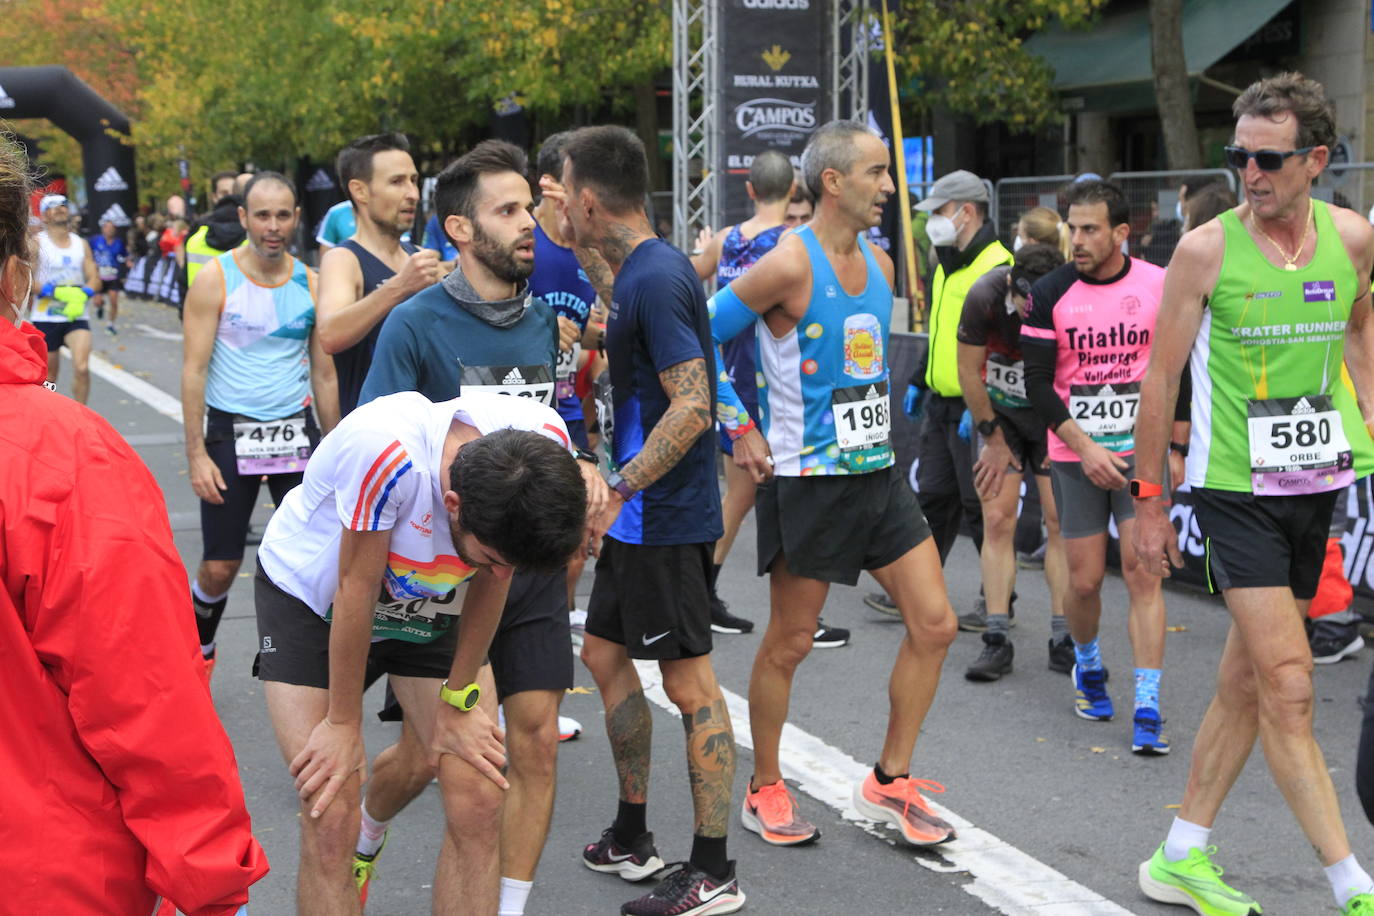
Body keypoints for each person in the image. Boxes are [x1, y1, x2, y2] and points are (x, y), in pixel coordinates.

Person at [0, 132, 268, 916]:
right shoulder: (64, 457)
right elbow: (144, 695)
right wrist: (213, 882)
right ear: (16, 272)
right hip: (45, 874)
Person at [1133, 72, 1374, 915]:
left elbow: (1358, 329)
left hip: (1317, 485)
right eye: (1238, 156)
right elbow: (1159, 379)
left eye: (1268, 159)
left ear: (1315, 160)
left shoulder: (1352, 239)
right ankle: (1351, 882)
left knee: (1245, 682)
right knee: (1290, 681)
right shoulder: (1205, 250)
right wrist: (1150, 503)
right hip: (1232, 490)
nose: (1250, 173)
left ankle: (1179, 854)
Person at [359, 139, 604, 916]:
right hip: (444, 573)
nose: (531, 222)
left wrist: (585, 467)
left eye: (529, 206)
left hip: (524, 564)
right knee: (431, 759)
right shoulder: (413, 325)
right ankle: (367, 827)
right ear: (461, 230)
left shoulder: (543, 322)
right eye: (508, 210)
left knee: (531, 741)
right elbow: (374, 446)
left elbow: (556, 423)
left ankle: (508, 906)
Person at [709, 119, 959, 850]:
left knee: (936, 624)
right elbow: (696, 332)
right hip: (808, 482)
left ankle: (889, 780)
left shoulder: (881, 263)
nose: (889, 186)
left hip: (876, 474)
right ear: (833, 182)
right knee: (790, 642)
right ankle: (765, 786)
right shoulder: (789, 262)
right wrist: (739, 424)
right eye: (877, 172)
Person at [255, 388, 587, 916]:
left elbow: (494, 580)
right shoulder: (385, 453)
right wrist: (343, 723)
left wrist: (458, 697)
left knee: (480, 797)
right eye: (491, 556)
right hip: (317, 600)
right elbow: (355, 589)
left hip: (429, 600)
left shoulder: (543, 441)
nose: (502, 573)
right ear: (453, 503)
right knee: (331, 810)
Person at [546, 124, 745, 915]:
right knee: (602, 653)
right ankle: (633, 834)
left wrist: (619, 488)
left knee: (690, 684)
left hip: (663, 512)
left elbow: (693, 406)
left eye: (566, 195)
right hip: (638, 516)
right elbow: (609, 289)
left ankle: (714, 870)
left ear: (592, 200)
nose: (560, 209)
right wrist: (572, 237)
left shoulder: (659, 279)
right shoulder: (634, 271)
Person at [1021, 179, 1171, 754]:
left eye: (1090, 229)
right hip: (1075, 456)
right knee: (1083, 581)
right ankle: (1087, 664)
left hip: (1141, 456)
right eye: (1072, 228)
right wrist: (1085, 447)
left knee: (1143, 571)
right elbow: (1038, 384)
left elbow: (1174, 370)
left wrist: (1176, 446)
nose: (1077, 239)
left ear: (1121, 233)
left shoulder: (1157, 284)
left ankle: (1148, 703)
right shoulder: (1049, 292)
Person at [181, 171, 340, 679]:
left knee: (316, 557)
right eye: (263, 215)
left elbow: (324, 374)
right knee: (220, 565)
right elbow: (194, 370)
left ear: (296, 219)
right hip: (231, 431)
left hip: (295, 429)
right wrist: (196, 454)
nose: (273, 226)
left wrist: (337, 448)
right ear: (244, 218)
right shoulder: (215, 278)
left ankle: (302, 659)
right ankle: (199, 648)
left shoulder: (311, 283)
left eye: (283, 215)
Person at [692, 149, 846, 646]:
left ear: (750, 189)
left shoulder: (726, 239)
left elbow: (691, 279)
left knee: (739, 498)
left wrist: (701, 252)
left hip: (729, 377)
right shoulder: (792, 245)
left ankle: (702, 594)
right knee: (785, 499)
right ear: (794, 191)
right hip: (776, 383)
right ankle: (786, 611)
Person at [870, 169, 1011, 622]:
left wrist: (985, 402)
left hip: (978, 408)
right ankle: (916, 591)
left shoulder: (998, 266)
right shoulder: (945, 262)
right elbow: (941, 331)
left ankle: (997, 601)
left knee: (980, 507)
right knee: (932, 498)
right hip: (941, 401)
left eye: (940, 211)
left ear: (967, 212)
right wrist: (919, 379)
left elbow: (1005, 347)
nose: (932, 221)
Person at [956, 242, 1072, 680]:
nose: (1030, 313)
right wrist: (991, 436)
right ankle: (996, 638)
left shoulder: (1069, 295)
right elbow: (968, 370)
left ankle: (1064, 638)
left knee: (1059, 522)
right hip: (1000, 416)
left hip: (1051, 418)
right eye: (1025, 304)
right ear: (1011, 284)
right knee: (998, 520)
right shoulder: (984, 295)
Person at [530, 130, 617, 641]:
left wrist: (604, 337)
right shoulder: (522, 242)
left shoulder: (584, 248)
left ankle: (557, 620)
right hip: (519, 407)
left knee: (580, 531)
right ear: (551, 184)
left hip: (566, 405)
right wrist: (537, 323)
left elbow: (579, 325)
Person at [317, 133, 439, 416]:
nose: (413, 194)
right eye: (397, 182)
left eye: (414, 180)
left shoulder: (419, 257)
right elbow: (330, 335)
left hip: (429, 427)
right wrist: (400, 286)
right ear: (360, 191)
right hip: (375, 432)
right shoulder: (343, 259)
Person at [30, 193, 100, 404]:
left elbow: (95, 278)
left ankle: (81, 415)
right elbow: (26, 280)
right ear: (44, 215)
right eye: (53, 206)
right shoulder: (37, 243)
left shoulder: (81, 244)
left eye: (63, 205)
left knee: (82, 368)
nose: (60, 208)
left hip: (76, 316)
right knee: (49, 379)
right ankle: (47, 415)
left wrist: (85, 293)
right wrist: (53, 291)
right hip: (46, 318)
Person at [185, 170, 248, 290]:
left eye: (234, 192)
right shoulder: (199, 226)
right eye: (224, 193)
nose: (230, 197)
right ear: (214, 196)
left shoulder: (253, 226)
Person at [90, 218, 128, 334]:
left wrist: (127, 263)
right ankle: (100, 306)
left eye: (112, 228)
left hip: (113, 276)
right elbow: (87, 255)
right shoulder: (95, 240)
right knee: (97, 301)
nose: (109, 230)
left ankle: (111, 324)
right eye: (107, 227)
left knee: (114, 301)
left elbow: (124, 256)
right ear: (103, 229)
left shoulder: (119, 243)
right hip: (99, 277)